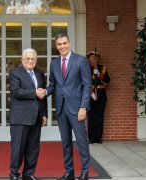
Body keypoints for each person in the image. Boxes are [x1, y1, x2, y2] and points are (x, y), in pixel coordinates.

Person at [40, 33, 92, 180]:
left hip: (77, 109)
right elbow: (52, 85)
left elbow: (87, 85)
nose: (62, 46)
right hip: (61, 109)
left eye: (64, 43)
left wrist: (83, 107)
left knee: (81, 141)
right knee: (65, 143)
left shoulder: (81, 60)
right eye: (59, 44)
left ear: (69, 44)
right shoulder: (54, 63)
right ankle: (69, 172)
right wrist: (45, 91)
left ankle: (85, 172)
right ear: (56, 46)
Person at [9, 48, 48, 180]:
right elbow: (16, 92)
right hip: (20, 117)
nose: (30, 61)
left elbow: (43, 95)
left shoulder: (40, 73)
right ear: (22, 60)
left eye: (33, 59)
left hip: (36, 117)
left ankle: (29, 174)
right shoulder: (15, 73)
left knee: (33, 149)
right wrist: (34, 92)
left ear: (36, 60)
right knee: (18, 148)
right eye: (28, 59)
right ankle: (14, 174)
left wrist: (44, 114)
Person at [86, 51, 110, 144]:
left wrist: (97, 69)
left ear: (98, 58)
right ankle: (91, 138)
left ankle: (98, 138)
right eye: (90, 57)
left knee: (100, 117)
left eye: (94, 57)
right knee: (91, 117)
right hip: (90, 95)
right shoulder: (86, 68)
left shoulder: (102, 68)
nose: (92, 59)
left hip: (100, 95)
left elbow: (107, 81)